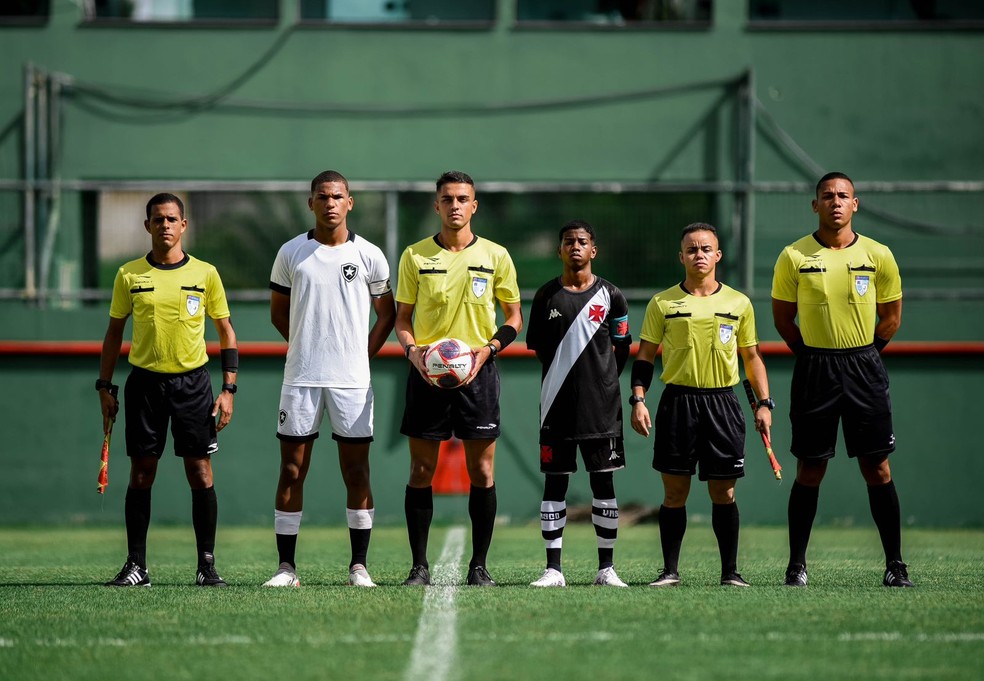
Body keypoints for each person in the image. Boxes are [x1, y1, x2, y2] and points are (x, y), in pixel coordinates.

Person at [772, 172, 912, 588]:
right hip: (815, 368)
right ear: (814, 205)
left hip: (864, 368)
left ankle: (895, 565)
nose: (835, 202)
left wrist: (864, 356)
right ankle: (796, 566)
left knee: (878, 466)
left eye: (843, 196)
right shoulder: (794, 256)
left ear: (856, 204)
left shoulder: (878, 254)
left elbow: (891, 318)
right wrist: (814, 355)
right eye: (827, 196)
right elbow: (783, 319)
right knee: (810, 466)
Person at [97, 193, 238, 588]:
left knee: (200, 470)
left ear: (184, 225)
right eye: (158, 220)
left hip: (193, 384)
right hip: (144, 383)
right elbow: (113, 334)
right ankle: (136, 566)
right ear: (148, 226)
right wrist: (105, 386)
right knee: (142, 472)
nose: (165, 226)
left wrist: (228, 388)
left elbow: (226, 331)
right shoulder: (129, 274)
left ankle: (206, 566)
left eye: (172, 219)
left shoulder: (206, 273)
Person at [263, 170, 395, 588]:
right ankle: (286, 568)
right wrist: (305, 345)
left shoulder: (370, 255)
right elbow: (278, 313)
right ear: (311, 203)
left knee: (357, 472)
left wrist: (361, 354)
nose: (331, 203)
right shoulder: (290, 253)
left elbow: (387, 314)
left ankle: (359, 566)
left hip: (352, 381)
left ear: (350, 202)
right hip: (301, 377)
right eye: (323, 196)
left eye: (338, 196)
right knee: (291, 469)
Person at [395, 170, 523, 587]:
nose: (454, 205)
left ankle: (479, 566)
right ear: (437, 205)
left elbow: (514, 318)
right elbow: (401, 320)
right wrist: (414, 353)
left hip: (479, 374)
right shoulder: (415, 256)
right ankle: (419, 566)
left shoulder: (496, 255)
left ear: (474, 206)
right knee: (420, 469)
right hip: (427, 375)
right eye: (447, 199)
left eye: (462, 199)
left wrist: (484, 352)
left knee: (482, 472)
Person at [630, 222, 772, 588]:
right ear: (681, 257)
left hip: (723, 404)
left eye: (706, 249)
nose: (699, 255)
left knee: (723, 492)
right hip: (678, 402)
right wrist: (638, 399)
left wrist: (765, 403)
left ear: (717, 255)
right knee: (674, 492)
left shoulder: (738, 303)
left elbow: (752, 357)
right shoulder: (662, 303)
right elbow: (645, 356)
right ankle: (670, 571)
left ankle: (730, 573)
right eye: (692, 249)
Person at [525, 220, 632, 588]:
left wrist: (600, 384)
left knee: (604, 486)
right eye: (568, 241)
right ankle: (553, 569)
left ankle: (607, 568)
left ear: (593, 250)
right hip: (555, 406)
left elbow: (621, 348)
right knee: (554, 486)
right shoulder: (545, 296)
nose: (575, 246)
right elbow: (538, 347)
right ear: (559, 250)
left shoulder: (612, 295)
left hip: (602, 411)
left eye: (582, 241)